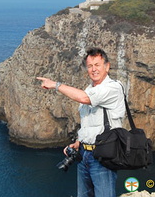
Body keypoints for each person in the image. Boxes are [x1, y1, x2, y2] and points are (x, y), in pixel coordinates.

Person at [37, 47, 125, 197]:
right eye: (90, 66)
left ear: (107, 66)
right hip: (84, 154)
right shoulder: (89, 88)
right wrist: (78, 142)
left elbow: (84, 98)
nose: (93, 69)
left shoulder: (113, 88)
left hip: (103, 155)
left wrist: (55, 85)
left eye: (97, 65)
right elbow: (89, 123)